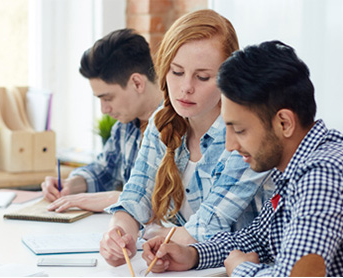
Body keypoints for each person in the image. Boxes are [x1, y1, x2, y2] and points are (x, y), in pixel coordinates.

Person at [142, 40, 343, 277]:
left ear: (284, 123)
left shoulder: (322, 173)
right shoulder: (292, 167)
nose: (230, 145)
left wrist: (240, 269)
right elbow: (258, 238)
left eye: (239, 130)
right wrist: (192, 255)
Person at [100, 9, 274, 267]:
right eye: (177, 72)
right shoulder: (162, 121)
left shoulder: (245, 133)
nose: (185, 88)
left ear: (229, 78)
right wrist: (119, 233)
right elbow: (135, 195)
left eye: (203, 77)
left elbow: (207, 226)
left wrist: (156, 238)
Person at [41, 28, 163, 212]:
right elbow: (105, 169)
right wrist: (71, 184)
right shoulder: (126, 126)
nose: (104, 110)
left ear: (137, 83)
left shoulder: (179, 125)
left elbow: (167, 202)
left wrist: (109, 198)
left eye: (107, 98)